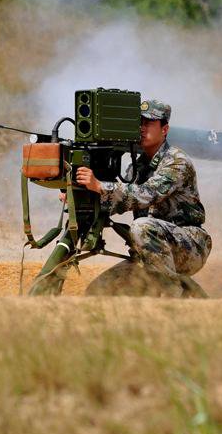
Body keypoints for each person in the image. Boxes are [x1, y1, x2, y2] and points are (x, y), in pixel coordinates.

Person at [74, 99, 212, 297]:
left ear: (164, 129)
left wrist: (100, 186)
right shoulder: (137, 166)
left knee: (142, 226)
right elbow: (121, 201)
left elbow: (146, 194)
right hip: (151, 250)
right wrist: (84, 195)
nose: (141, 127)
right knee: (98, 291)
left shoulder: (177, 162)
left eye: (148, 123)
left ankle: (171, 297)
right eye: (139, 122)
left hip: (189, 245)